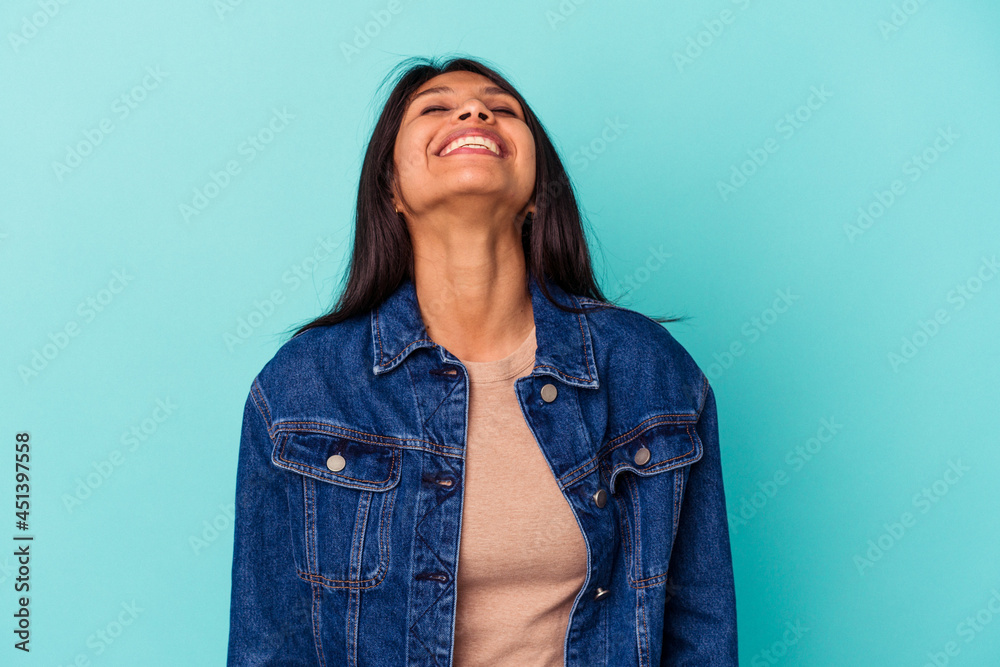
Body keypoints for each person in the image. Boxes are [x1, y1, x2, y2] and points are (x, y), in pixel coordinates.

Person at [226, 55, 737, 666]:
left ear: (536, 193)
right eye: (436, 107)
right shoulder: (302, 387)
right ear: (391, 189)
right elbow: (269, 645)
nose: (474, 111)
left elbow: (700, 629)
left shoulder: (648, 371)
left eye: (502, 109)